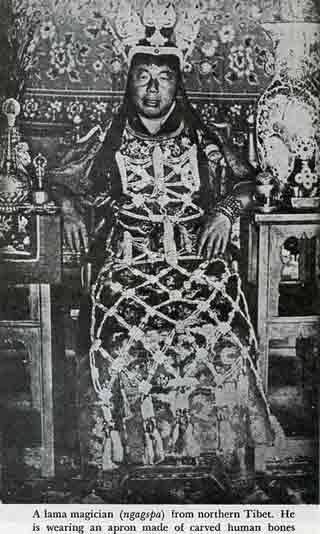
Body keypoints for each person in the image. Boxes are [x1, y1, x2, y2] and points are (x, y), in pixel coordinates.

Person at [51, 44, 278, 499]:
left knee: (224, 337)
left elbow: (255, 182)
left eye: (164, 77)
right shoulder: (104, 137)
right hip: (129, 266)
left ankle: (231, 460)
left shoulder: (204, 138)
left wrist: (228, 210)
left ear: (179, 84)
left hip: (200, 263)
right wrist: (68, 205)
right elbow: (57, 177)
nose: (153, 89)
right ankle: (111, 462)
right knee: (114, 342)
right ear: (129, 81)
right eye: (143, 76)